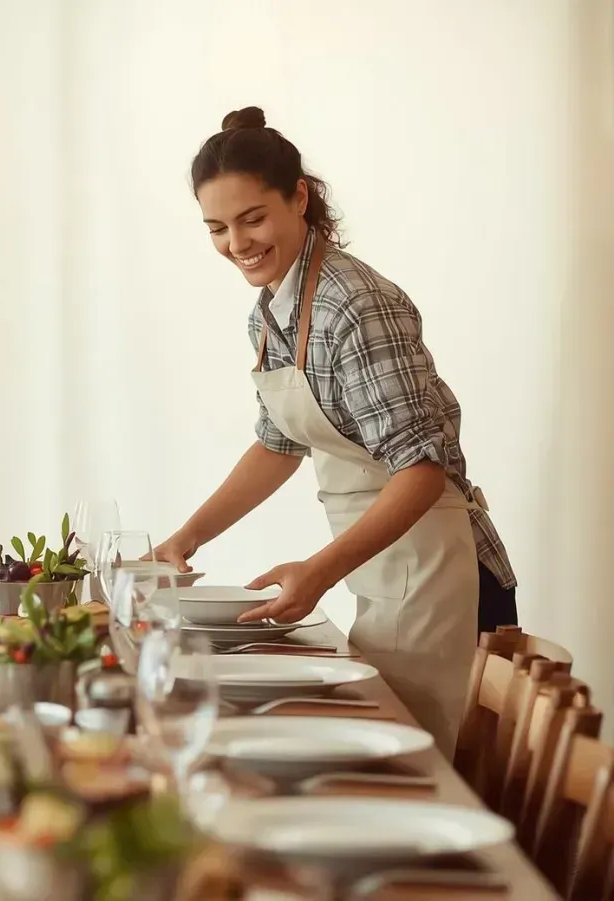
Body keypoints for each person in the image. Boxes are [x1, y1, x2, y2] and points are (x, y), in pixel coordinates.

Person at [155, 106, 517, 752]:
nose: (237, 244)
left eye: (252, 218)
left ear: (300, 198)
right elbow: (277, 443)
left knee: (417, 778)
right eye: (216, 229)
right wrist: (186, 538)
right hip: (381, 572)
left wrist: (318, 571)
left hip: (442, 578)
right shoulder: (271, 313)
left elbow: (422, 467)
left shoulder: (353, 304)